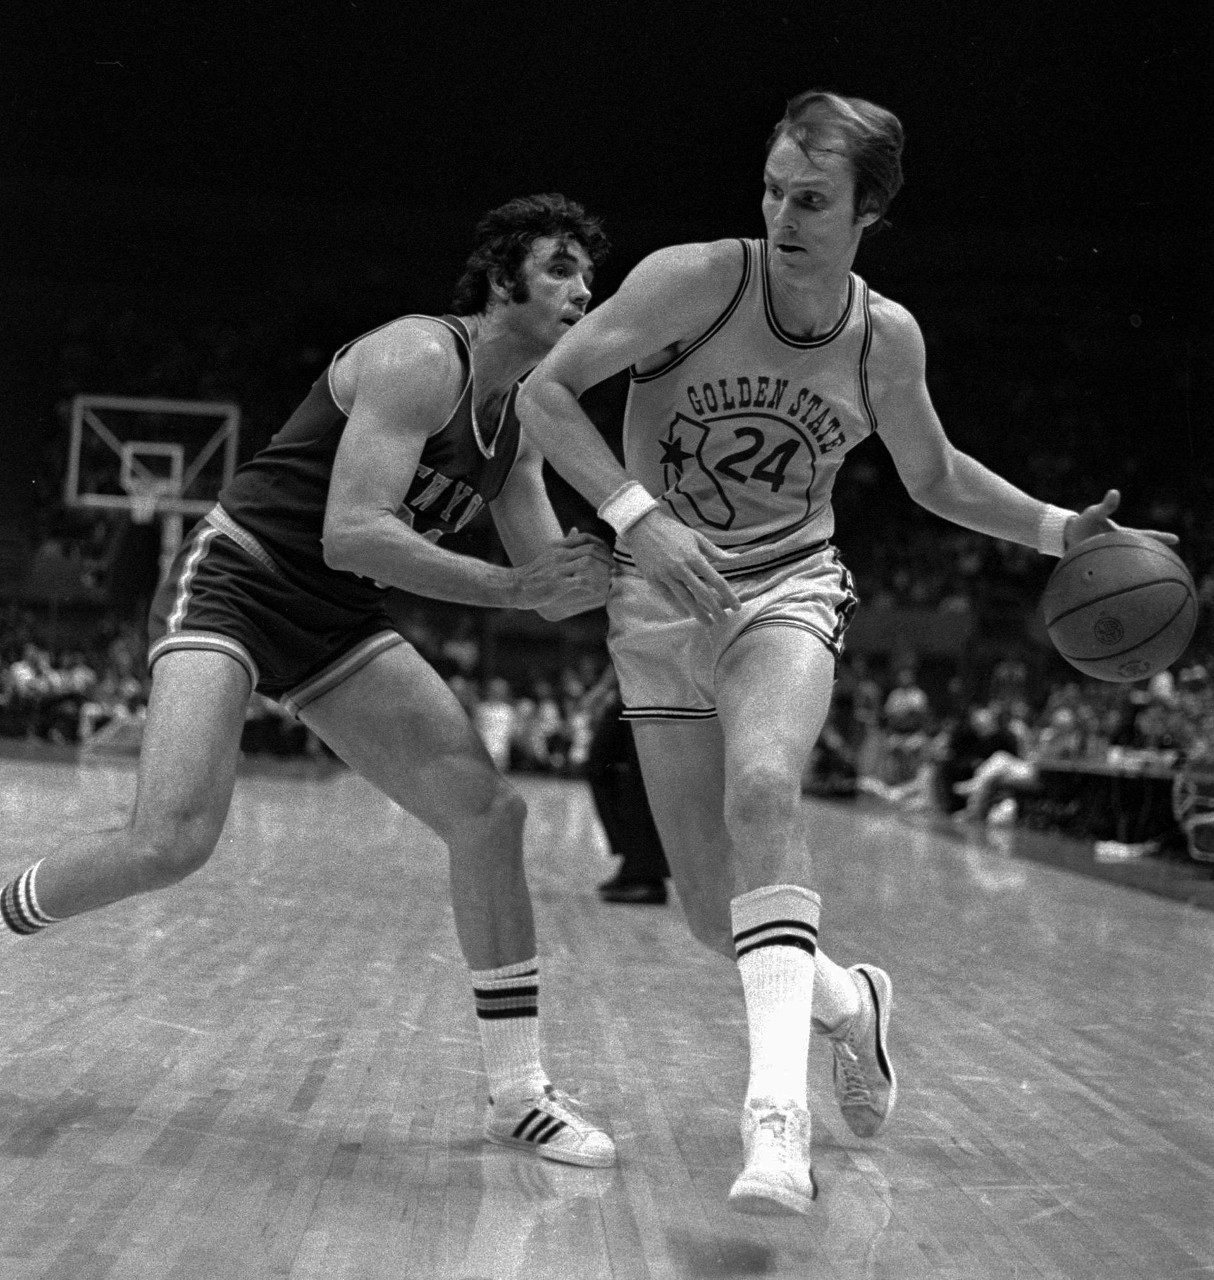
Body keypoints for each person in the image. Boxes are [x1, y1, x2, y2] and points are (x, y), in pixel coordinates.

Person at [518, 91, 1180, 1213]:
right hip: (656, 597)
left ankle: (774, 1119)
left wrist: (1055, 528)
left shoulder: (883, 336)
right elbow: (542, 395)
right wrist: (637, 513)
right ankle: (846, 1001)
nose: (782, 213)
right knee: (698, 908)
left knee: (767, 781)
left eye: (811, 198)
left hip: (785, 584)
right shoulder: (693, 279)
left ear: (867, 209)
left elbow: (931, 475)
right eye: (772, 189)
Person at [1, 194, 618, 1168]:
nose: (585, 290)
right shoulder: (422, 357)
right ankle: (7, 904)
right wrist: (511, 585)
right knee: (172, 840)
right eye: (560, 270)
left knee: (487, 816)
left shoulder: (520, 419)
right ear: (503, 277)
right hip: (238, 579)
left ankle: (516, 1092)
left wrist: (646, 567)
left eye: (589, 273)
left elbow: (551, 586)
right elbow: (355, 531)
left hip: (333, 623)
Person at [581, 664, 671, 903]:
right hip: (630, 687)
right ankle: (635, 861)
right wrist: (604, 687)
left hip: (661, 688)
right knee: (600, 767)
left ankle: (646, 877)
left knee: (640, 781)